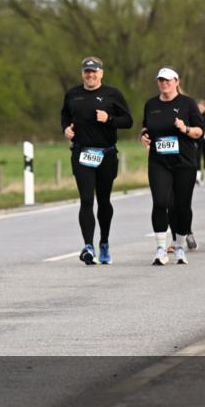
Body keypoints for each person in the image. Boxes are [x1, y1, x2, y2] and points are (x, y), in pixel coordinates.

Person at [60, 56, 133, 265]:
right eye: (87, 71)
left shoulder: (112, 94)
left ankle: (104, 242)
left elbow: (128, 121)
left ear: (101, 73)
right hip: (82, 153)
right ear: (82, 73)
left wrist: (108, 119)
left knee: (103, 201)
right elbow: (64, 116)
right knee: (86, 200)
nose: (90, 75)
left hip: (107, 154)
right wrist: (65, 128)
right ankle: (88, 246)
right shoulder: (73, 94)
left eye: (94, 71)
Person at [140, 68, 205, 265]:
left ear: (176, 81)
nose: (164, 83)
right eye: (160, 80)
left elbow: (200, 132)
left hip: (184, 162)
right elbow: (146, 127)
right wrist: (144, 135)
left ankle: (178, 246)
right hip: (159, 161)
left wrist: (185, 128)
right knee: (160, 202)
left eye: (167, 80)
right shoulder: (151, 104)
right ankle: (161, 249)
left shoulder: (188, 103)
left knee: (182, 207)